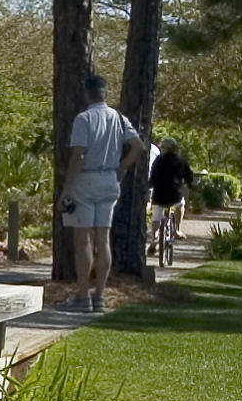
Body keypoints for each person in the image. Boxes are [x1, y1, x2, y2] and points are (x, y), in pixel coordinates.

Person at [60, 72, 139, 313]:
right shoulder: (118, 117)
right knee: (103, 238)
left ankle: (83, 295)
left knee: (83, 238)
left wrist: (66, 189)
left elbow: (79, 154)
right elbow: (138, 146)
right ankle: (100, 296)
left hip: (87, 178)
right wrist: (123, 167)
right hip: (109, 179)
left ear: (86, 93)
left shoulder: (84, 119)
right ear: (105, 93)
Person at [146, 134, 193, 270]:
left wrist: (149, 187)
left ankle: (154, 240)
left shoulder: (158, 161)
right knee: (181, 205)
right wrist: (188, 184)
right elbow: (189, 177)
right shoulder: (181, 161)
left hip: (159, 195)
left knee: (156, 218)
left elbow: (152, 178)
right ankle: (177, 229)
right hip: (175, 195)